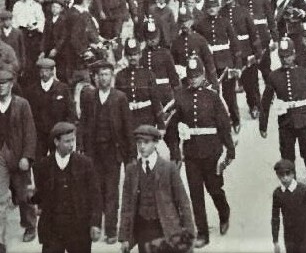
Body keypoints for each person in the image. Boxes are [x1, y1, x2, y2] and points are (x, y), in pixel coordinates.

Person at [167, 54, 235, 249]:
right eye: (190, 76)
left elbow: (224, 125)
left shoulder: (213, 97)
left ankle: (224, 212)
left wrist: (229, 150)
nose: (193, 80)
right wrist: (175, 151)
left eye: (196, 76)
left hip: (212, 151)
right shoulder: (181, 97)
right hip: (191, 153)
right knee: (196, 194)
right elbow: (173, 128)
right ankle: (202, 232)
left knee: (214, 189)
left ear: (203, 75)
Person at [79, 61, 135, 244]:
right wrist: (81, 146)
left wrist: (131, 155)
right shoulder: (89, 97)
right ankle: (95, 225)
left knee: (111, 190)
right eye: (100, 75)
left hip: (113, 151)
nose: (103, 78)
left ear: (112, 77)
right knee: (94, 189)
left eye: (107, 74)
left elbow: (128, 127)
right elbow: (83, 123)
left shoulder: (120, 98)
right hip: (94, 151)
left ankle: (111, 230)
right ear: (95, 78)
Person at [119, 125, 195, 253]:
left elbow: (183, 202)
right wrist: (124, 237)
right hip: (143, 230)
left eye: (146, 142)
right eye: (139, 143)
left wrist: (189, 233)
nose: (142, 146)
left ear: (155, 143)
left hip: (167, 228)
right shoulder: (132, 170)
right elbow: (126, 206)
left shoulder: (168, 168)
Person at [32, 122, 102, 253]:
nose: (71, 145)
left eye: (73, 140)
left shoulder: (85, 164)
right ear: (56, 142)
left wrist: (95, 223)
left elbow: (95, 196)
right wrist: (30, 196)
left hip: (79, 229)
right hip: (53, 229)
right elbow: (41, 196)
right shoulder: (44, 165)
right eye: (67, 141)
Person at [260, 36, 306, 180]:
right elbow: (265, 102)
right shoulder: (274, 76)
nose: (285, 59)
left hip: (305, 120)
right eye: (282, 56)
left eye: (288, 56)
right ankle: (292, 186)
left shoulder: (304, 73)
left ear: (294, 55)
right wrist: (263, 125)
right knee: (287, 157)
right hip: (286, 122)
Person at [195, 0, 242, 132]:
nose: (212, 9)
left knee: (229, 95)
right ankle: (218, 123)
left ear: (218, 6)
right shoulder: (200, 25)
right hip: (209, 66)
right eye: (209, 6)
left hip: (226, 64)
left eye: (214, 6)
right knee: (213, 95)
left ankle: (235, 119)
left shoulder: (225, 22)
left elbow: (235, 44)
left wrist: (237, 65)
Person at [0, 69, 36, 250]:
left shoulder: (22, 104)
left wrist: (27, 156)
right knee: (0, 198)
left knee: (23, 195)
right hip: (0, 156)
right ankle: (0, 239)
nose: (1, 87)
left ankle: (30, 225)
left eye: (4, 83)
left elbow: (30, 132)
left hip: (18, 154)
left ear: (11, 84)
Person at [25, 58, 75, 160]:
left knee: (58, 160)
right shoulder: (32, 90)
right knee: (39, 162)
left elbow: (70, 111)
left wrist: (66, 131)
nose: (44, 74)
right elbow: (28, 114)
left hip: (58, 133)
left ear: (52, 71)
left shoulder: (62, 88)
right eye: (42, 71)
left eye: (47, 71)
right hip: (39, 135)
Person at [271, 159, 306, 253]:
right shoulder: (277, 193)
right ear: (277, 175)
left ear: (293, 174)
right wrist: (275, 241)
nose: (285, 177)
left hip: (305, 235)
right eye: (281, 175)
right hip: (289, 237)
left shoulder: (304, 190)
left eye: (287, 173)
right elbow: (275, 218)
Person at [12, 0, 45, 84]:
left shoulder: (36, 6)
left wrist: (34, 27)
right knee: (21, 55)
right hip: (20, 33)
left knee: (31, 56)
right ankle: (22, 79)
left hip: (32, 35)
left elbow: (41, 20)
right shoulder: (17, 5)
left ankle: (32, 79)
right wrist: (16, 29)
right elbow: (14, 20)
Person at [40, 0, 69, 83]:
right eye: (53, 7)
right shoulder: (48, 20)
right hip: (49, 49)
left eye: (57, 7)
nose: (54, 9)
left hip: (60, 51)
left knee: (60, 72)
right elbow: (44, 36)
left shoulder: (63, 20)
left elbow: (63, 37)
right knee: (48, 69)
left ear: (61, 9)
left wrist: (56, 49)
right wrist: (42, 50)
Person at [0, 10, 26, 79]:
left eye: (10, 20)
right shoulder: (0, 32)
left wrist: (22, 65)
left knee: (13, 81)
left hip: (14, 63)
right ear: (2, 21)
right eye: (5, 20)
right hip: (2, 63)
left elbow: (22, 50)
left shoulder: (18, 32)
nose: (8, 22)